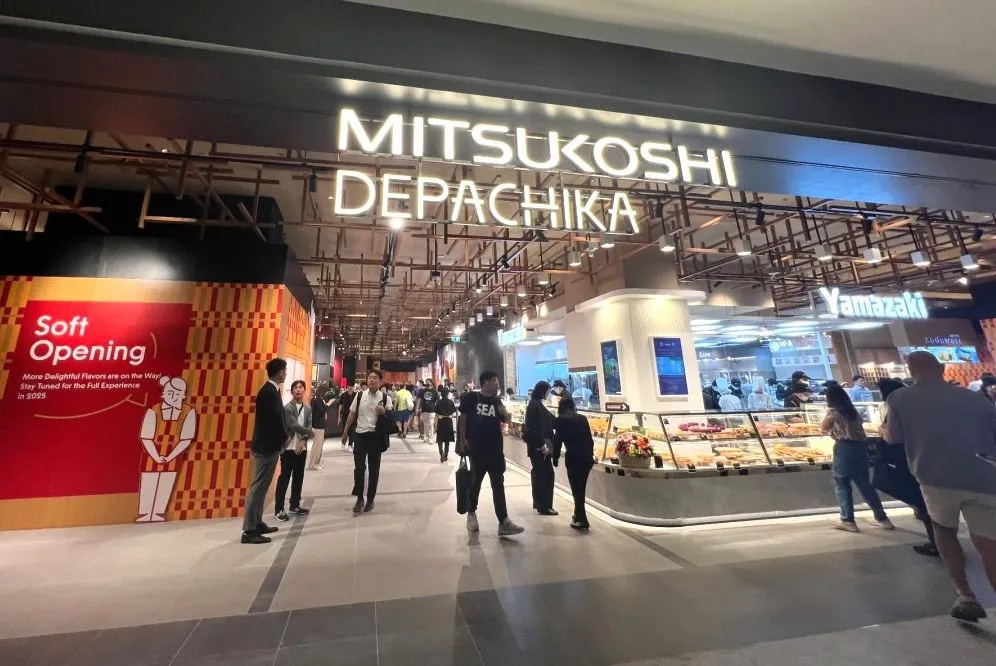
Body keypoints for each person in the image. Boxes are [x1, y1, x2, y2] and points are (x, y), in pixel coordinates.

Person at [885, 351, 996, 622]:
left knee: (944, 531)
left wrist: (883, 431)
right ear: (942, 369)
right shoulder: (975, 399)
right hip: (983, 476)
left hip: (935, 477)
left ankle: (965, 595)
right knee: (989, 543)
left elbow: (893, 437)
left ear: (910, 371)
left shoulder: (899, 398)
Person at [875, 378, 938, 557]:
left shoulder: (896, 410)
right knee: (930, 504)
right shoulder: (921, 409)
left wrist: (882, 431)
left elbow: (892, 437)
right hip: (925, 460)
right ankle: (941, 542)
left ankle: (937, 543)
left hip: (906, 461)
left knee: (923, 504)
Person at [459, 370, 525, 537]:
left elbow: (507, 420)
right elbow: (463, 418)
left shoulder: (497, 401)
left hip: (495, 450)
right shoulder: (471, 398)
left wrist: (505, 414)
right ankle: (471, 513)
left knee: (498, 484)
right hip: (477, 449)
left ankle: (504, 521)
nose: (498, 385)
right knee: (475, 483)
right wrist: (462, 439)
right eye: (495, 382)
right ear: (486, 383)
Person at [821, 384, 893, 533]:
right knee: (865, 484)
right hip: (860, 448)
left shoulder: (833, 412)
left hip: (844, 448)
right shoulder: (852, 410)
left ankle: (848, 520)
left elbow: (824, 427)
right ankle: (883, 518)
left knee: (842, 484)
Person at [241, 358, 290, 544]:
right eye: (284, 370)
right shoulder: (268, 392)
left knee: (262, 487)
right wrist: (285, 437)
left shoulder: (272, 391)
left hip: (270, 446)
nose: (285, 374)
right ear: (279, 372)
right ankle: (249, 530)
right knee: (258, 487)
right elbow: (273, 420)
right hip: (266, 447)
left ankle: (257, 522)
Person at [137, 375, 197, 523]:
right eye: (170, 393)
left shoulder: (188, 412)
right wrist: (156, 456)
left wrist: (170, 456)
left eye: (177, 394)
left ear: (183, 396)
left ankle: (158, 512)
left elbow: (186, 438)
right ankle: (145, 513)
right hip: (151, 453)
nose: (173, 397)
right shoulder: (153, 411)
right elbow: (146, 437)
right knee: (149, 480)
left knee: (167, 481)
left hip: (174, 453)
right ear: (163, 394)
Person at [341, 371, 393, 514]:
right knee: (359, 468)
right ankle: (359, 499)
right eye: (370, 378)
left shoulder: (385, 398)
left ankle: (370, 499)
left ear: (380, 381)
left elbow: (391, 418)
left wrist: (383, 411)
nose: (372, 380)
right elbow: (352, 413)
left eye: (375, 378)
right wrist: (345, 432)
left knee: (374, 469)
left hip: (376, 437)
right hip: (360, 436)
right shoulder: (359, 396)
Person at [553, 397, 595, 530]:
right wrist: (590, 455)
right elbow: (590, 440)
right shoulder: (582, 418)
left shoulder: (561, 421)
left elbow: (557, 441)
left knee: (577, 491)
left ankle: (582, 520)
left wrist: (555, 458)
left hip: (573, 459)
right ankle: (577, 515)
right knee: (580, 489)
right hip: (586, 459)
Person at [275, 380, 315, 522]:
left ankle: (295, 505)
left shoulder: (308, 408)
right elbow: (293, 425)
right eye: (295, 388)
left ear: (304, 390)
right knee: (284, 478)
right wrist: (310, 433)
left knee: (299, 477)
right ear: (292, 391)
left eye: (300, 387)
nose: (298, 390)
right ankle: (279, 509)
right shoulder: (287, 408)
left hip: (301, 448)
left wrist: (304, 440)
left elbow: (309, 424)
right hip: (289, 448)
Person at [524, 381, 557, 516]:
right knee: (546, 475)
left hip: (538, 446)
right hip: (540, 447)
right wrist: (542, 445)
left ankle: (538, 502)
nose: (549, 393)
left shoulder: (536, 404)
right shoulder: (535, 406)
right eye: (548, 390)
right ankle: (545, 506)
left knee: (539, 474)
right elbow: (536, 428)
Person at [307, 381, 330, 470]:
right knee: (317, 446)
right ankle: (312, 464)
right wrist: (328, 405)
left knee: (318, 446)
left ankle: (315, 463)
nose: (326, 393)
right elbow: (321, 411)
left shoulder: (318, 399)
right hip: (318, 426)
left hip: (319, 425)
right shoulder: (318, 400)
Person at [435, 387, 456, 462]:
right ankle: (446, 455)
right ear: (447, 394)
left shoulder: (438, 402)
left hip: (441, 421)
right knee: (447, 440)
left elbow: (436, 412)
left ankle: (441, 453)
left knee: (440, 439)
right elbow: (454, 411)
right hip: (448, 422)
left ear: (441, 394)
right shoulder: (451, 402)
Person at [418, 380, 440, 445]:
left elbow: (437, 401)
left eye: (428, 382)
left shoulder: (434, 391)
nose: (427, 383)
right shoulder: (422, 391)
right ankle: (426, 437)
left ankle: (431, 438)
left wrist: (437, 410)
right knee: (426, 425)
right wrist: (417, 408)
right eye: (426, 382)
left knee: (431, 424)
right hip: (424, 410)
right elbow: (419, 399)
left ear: (431, 383)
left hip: (432, 410)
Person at [339, 384, 357, 449]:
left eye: (351, 386)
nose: (350, 388)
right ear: (347, 387)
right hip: (345, 414)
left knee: (352, 430)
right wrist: (339, 415)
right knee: (345, 429)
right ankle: (343, 441)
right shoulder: (344, 395)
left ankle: (350, 444)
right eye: (349, 386)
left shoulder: (356, 395)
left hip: (353, 415)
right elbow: (340, 405)